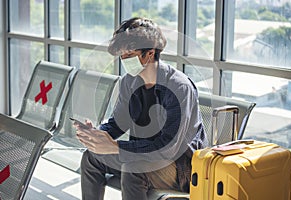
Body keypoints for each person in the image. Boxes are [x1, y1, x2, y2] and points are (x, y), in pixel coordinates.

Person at [74, 17, 208, 200]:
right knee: (91, 158)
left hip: (179, 167)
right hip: (142, 156)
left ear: (150, 53)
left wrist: (116, 147)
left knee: (134, 170)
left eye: (129, 54)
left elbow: (168, 147)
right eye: (122, 55)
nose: (124, 59)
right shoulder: (129, 82)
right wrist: (96, 134)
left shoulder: (178, 87)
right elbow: (118, 122)